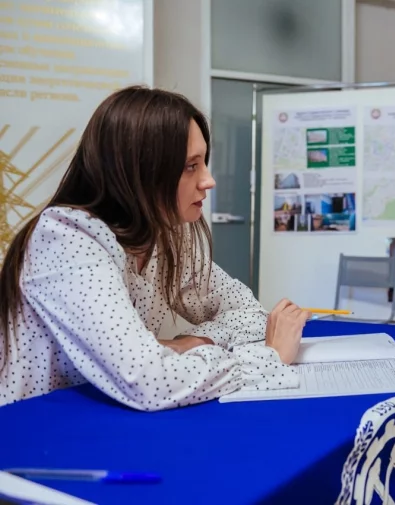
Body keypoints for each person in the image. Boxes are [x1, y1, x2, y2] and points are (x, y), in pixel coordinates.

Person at [0, 86, 310, 411]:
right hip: (36, 437)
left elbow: (251, 315)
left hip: (105, 422)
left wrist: (194, 342)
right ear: (140, 170)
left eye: (204, 162)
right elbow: (149, 379)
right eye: (191, 166)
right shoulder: (66, 237)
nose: (208, 180)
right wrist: (267, 358)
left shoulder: (162, 236)